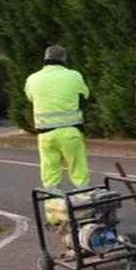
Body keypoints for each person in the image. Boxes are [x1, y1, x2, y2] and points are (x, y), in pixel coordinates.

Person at [24, 45, 91, 253]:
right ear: (64, 59)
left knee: (51, 177)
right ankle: (84, 211)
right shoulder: (74, 76)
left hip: (46, 135)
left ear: (45, 59)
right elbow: (85, 95)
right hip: (71, 133)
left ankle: (54, 217)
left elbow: (30, 98)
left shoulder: (32, 79)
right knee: (79, 174)